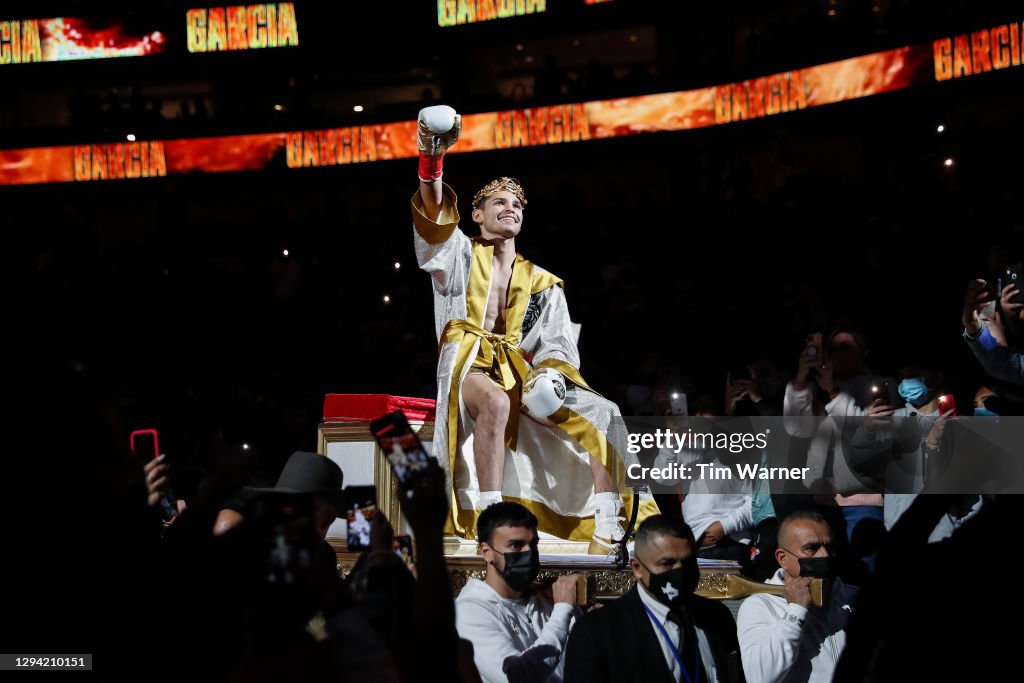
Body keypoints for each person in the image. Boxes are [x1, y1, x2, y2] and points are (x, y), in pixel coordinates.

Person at [411, 104, 657, 553]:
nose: (511, 208)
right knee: (493, 400)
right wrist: (432, 162)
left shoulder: (544, 282)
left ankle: (607, 523)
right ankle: (491, 516)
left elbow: (559, 343)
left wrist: (551, 376)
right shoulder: (459, 256)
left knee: (605, 412)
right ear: (478, 216)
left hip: (519, 369)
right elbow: (433, 220)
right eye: (498, 202)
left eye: (517, 204)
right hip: (467, 364)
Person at [563, 515, 744, 683]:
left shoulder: (717, 617)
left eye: (688, 562)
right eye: (667, 564)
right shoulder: (598, 632)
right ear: (637, 568)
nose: (679, 572)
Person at [455, 502, 582, 683]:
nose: (528, 553)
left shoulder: (546, 599)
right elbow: (518, 677)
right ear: (487, 552)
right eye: (516, 545)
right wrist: (562, 610)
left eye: (533, 545)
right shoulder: (469, 611)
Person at [736, 511, 858, 683]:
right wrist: (796, 612)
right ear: (783, 558)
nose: (824, 555)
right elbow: (760, 677)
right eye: (811, 548)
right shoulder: (760, 605)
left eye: (830, 547)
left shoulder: (853, 598)